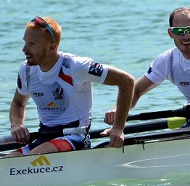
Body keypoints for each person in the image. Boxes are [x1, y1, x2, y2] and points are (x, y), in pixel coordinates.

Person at [6, 16, 135, 157]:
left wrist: (118, 127)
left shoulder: (77, 67)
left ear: (51, 47)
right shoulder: (26, 70)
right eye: (25, 42)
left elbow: (126, 81)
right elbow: (18, 103)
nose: (24, 49)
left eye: (32, 44)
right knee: (7, 163)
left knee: (30, 160)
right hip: (43, 139)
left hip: (75, 138)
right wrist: (16, 125)